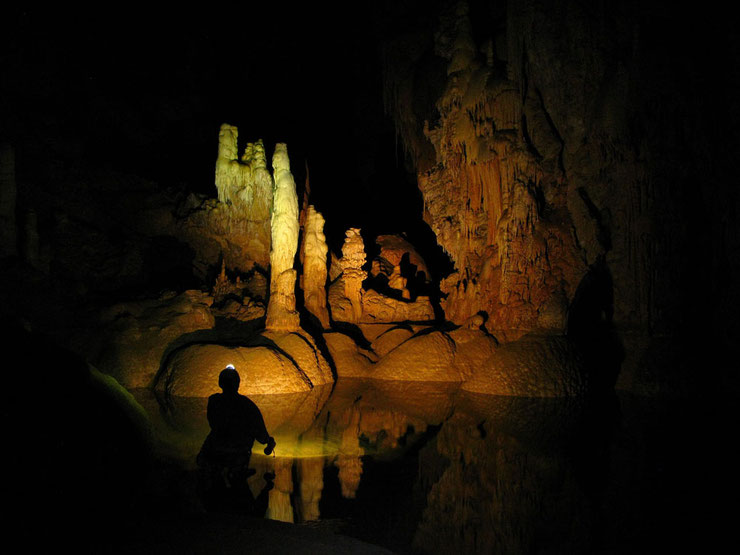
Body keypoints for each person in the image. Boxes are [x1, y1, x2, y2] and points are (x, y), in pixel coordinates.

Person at [197, 365, 276, 493]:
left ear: (220, 383)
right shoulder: (247, 406)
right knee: (240, 494)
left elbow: (212, 424)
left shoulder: (214, 402)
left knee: (213, 485)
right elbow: (261, 435)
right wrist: (269, 442)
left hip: (213, 451)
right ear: (238, 383)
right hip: (237, 454)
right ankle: (238, 475)